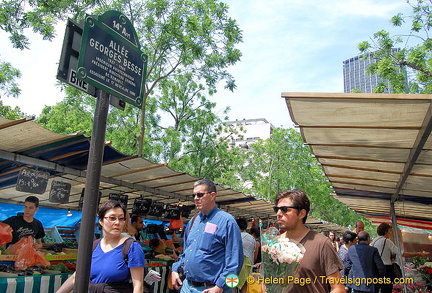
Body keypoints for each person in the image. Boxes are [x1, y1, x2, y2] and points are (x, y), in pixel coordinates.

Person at [171, 178, 243, 293]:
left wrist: (220, 287)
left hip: (212, 288)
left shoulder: (227, 222)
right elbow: (185, 253)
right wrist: (175, 269)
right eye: (194, 195)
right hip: (187, 287)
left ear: (212, 195)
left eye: (200, 195)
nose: (196, 199)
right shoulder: (193, 221)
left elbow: (235, 262)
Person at [57, 200, 145, 293]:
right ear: (101, 220)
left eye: (121, 219)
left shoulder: (131, 247)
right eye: (112, 218)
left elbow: (138, 286)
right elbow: (76, 276)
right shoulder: (94, 246)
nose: (117, 222)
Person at [274, 189, 345, 293]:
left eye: (284, 209)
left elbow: (338, 288)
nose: (278, 214)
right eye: (277, 209)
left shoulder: (322, 244)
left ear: (302, 213)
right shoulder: (273, 245)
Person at [235, 218, 256, 293]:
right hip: (248, 263)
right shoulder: (252, 238)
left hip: (237, 262)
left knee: (234, 283)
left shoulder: (235, 236)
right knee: (245, 284)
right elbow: (254, 252)